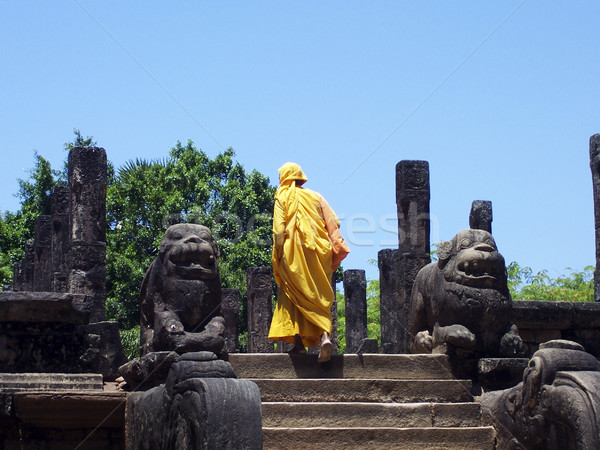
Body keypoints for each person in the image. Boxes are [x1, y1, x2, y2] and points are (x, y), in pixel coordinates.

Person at [268, 162, 349, 362]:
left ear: (284, 177)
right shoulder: (316, 196)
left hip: (293, 252)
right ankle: (324, 337)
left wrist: (278, 253)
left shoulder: (282, 195)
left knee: (291, 296)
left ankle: (298, 345)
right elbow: (335, 222)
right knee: (318, 295)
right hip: (320, 251)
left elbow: (279, 230)